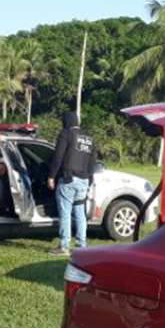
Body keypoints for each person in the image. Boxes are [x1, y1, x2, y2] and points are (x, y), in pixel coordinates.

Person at [47, 108, 97, 256]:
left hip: (68, 179)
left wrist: (51, 176)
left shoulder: (66, 134)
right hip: (84, 180)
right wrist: (89, 180)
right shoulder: (89, 138)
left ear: (66, 122)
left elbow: (58, 156)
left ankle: (64, 246)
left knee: (65, 214)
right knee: (80, 214)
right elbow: (92, 162)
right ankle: (81, 246)